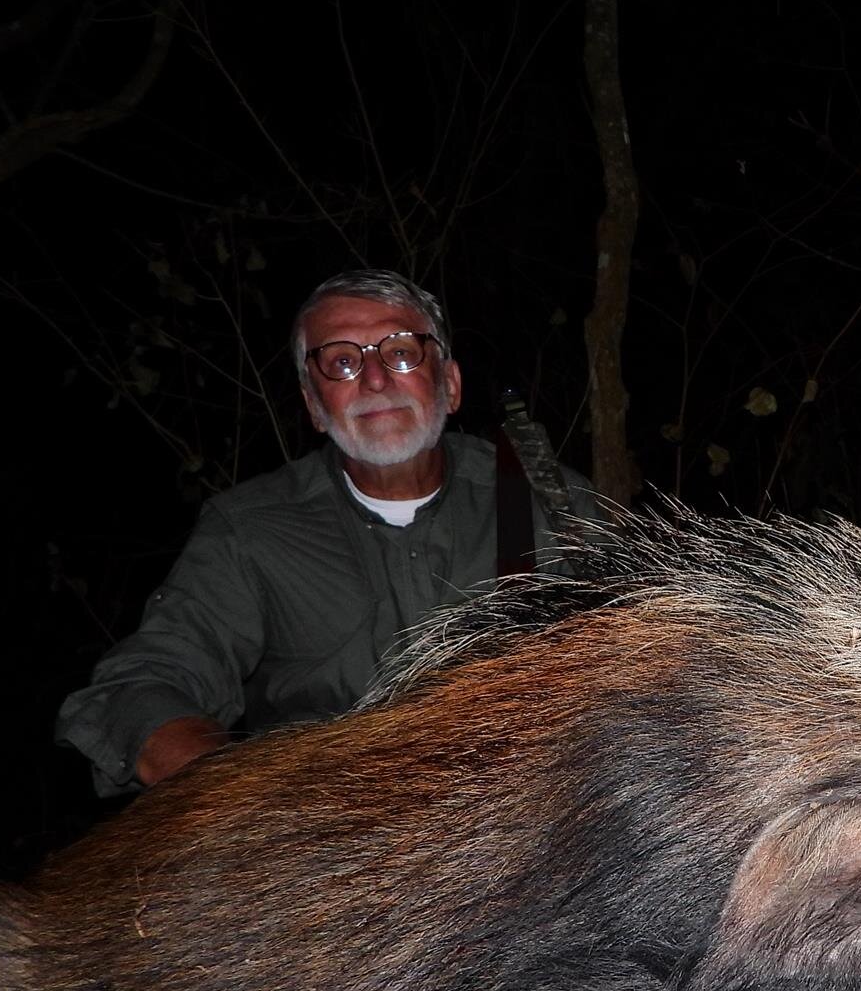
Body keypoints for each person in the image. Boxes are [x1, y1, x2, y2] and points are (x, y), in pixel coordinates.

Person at [57, 268, 598, 794]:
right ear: (314, 406)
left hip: (525, 837)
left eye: (402, 352)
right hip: (328, 853)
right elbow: (141, 687)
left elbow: (647, 665)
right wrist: (248, 808)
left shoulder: (549, 502)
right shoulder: (252, 529)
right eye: (341, 362)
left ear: (450, 384)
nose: (375, 378)